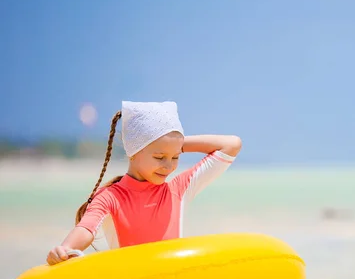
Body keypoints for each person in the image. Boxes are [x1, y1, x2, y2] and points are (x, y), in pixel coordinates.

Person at [46, 101, 242, 265]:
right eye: (159, 157)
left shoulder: (178, 190)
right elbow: (86, 229)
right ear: (133, 152)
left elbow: (232, 144)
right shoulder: (110, 197)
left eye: (175, 157)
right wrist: (64, 250)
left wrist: (171, 142)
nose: (168, 166)